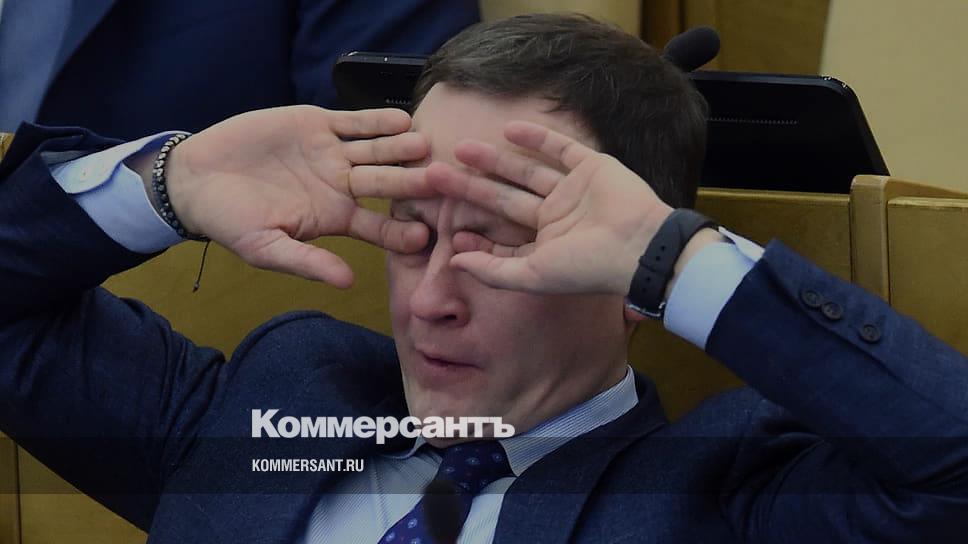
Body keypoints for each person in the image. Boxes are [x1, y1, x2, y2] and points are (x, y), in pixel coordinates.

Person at [0, 13, 966, 544]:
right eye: (414, 236)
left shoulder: (719, 493)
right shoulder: (283, 402)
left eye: (501, 249)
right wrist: (165, 182)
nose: (430, 302)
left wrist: (680, 259)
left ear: (630, 276)